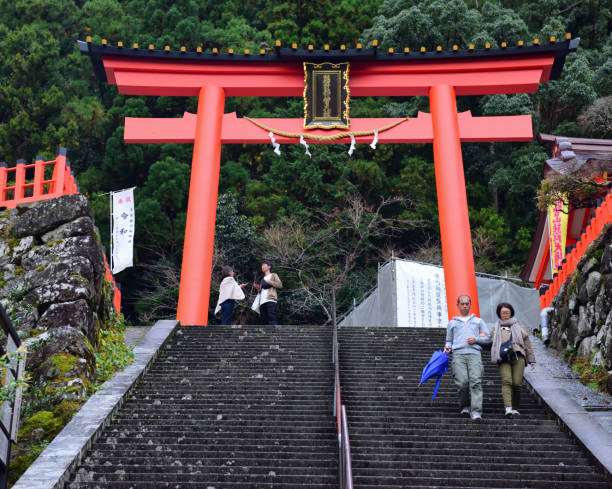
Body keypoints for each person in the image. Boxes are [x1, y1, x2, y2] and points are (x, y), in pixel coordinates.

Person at [444, 295, 490, 421]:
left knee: (476, 382)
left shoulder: (478, 321)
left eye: (467, 304)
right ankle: (465, 406)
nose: (465, 306)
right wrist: (447, 348)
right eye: (462, 304)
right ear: (458, 305)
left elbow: (487, 337)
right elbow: (448, 340)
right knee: (462, 383)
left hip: (475, 354)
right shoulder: (452, 323)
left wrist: (476, 339)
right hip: (458, 355)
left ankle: (476, 411)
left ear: (470, 305)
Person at [490, 302, 536, 416]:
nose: (505, 314)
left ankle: (515, 407)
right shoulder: (495, 329)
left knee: (517, 383)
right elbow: (490, 342)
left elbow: (527, 344)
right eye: (503, 312)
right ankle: (508, 408)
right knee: (506, 381)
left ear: (511, 313)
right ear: (499, 314)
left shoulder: (519, 327)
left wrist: (531, 359)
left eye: (507, 312)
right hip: (503, 357)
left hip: (518, 355)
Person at [253, 260, 282, 325]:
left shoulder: (273, 275)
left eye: (264, 265)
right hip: (262, 300)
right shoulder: (262, 279)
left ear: (269, 266)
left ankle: (274, 332)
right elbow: (261, 291)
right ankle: (266, 334)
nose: (262, 266)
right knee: (263, 318)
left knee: (271, 316)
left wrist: (268, 281)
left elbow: (280, 285)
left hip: (270, 298)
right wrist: (258, 288)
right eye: (262, 265)